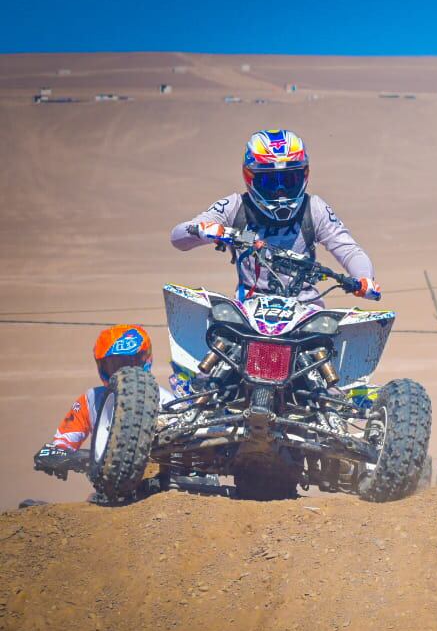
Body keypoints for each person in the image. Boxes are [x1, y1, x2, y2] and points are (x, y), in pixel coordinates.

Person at [170, 129, 380, 302]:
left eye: (288, 181)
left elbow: (348, 249)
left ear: (303, 176)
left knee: (336, 338)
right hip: (248, 309)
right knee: (213, 327)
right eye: (270, 182)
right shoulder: (234, 206)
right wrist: (206, 231)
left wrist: (364, 279)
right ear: (250, 177)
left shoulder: (314, 208)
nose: (280, 191)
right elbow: (178, 238)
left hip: (307, 307)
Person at [34, 325, 174, 478]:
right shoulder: (91, 399)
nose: (123, 373)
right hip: (110, 486)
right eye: (114, 365)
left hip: (161, 483)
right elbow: (63, 441)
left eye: (128, 363)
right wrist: (58, 454)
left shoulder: (167, 400)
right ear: (101, 367)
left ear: (145, 359)